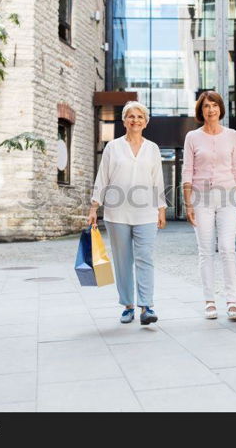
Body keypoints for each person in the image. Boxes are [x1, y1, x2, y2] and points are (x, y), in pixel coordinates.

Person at [87, 101, 167, 325]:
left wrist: (161, 209)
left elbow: (157, 180)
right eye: (131, 116)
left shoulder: (152, 148)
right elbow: (102, 177)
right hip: (117, 213)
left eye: (140, 117)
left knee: (145, 259)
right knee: (123, 261)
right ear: (124, 121)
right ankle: (128, 306)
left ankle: (146, 306)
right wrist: (94, 207)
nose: (135, 120)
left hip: (146, 213)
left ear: (146, 122)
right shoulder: (113, 147)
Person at [182, 91, 236, 321]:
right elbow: (187, 171)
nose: (211, 110)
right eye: (206, 106)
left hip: (228, 197)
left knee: (228, 248)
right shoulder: (192, 137)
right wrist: (188, 203)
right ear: (200, 111)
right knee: (206, 251)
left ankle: (232, 301)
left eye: (214, 105)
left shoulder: (232, 135)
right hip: (201, 199)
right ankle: (209, 300)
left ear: (220, 109)